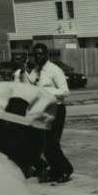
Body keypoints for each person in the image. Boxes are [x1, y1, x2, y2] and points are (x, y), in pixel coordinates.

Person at [26, 42, 73, 183]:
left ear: (47, 55)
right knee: (44, 144)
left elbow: (65, 92)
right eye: (35, 54)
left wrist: (46, 91)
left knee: (52, 142)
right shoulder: (35, 71)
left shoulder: (55, 70)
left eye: (40, 54)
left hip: (56, 109)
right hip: (42, 110)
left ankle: (65, 169)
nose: (38, 56)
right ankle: (55, 170)